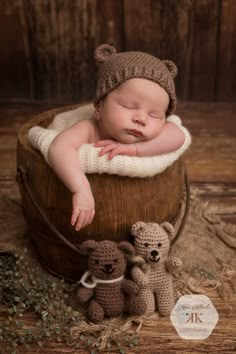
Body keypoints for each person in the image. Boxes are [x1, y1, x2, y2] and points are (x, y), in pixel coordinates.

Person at [48, 44, 185, 232]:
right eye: (129, 106)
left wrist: (136, 150)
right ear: (98, 108)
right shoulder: (89, 128)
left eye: (155, 115)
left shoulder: (154, 133)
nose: (141, 119)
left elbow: (178, 136)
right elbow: (59, 148)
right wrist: (81, 189)